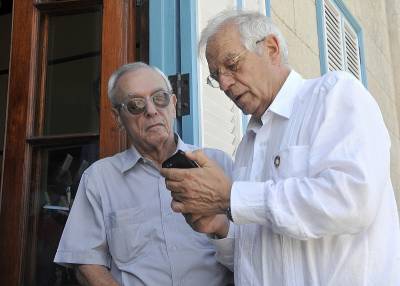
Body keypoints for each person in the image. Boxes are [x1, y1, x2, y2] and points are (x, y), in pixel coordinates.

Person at [161, 10, 400, 286]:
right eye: (216, 76)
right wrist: (220, 229)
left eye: (232, 64)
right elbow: (260, 253)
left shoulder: (334, 96)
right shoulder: (246, 147)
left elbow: (352, 199)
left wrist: (230, 196)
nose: (225, 84)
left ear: (271, 49)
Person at [54, 62, 233, 286]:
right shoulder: (99, 179)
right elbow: (86, 263)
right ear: (118, 117)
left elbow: (254, 251)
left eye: (160, 98)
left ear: (174, 104)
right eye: (135, 105)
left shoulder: (218, 165)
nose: (151, 110)